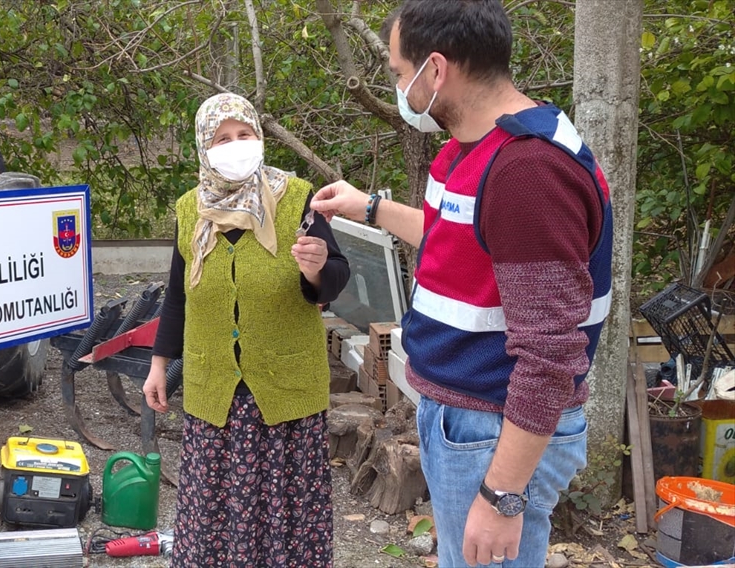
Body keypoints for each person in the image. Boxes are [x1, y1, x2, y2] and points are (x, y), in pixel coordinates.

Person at [310, 2, 613, 566]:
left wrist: (502, 496)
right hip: (470, 418)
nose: (400, 88)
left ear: (436, 69)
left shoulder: (527, 171)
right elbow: (455, 238)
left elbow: (550, 352)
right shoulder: (472, 147)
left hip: (493, 427)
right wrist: (369, 207)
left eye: (401, 74)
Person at [142, 93, 351, 567]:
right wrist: (159, 366)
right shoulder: (189, 210)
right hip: (214, 390)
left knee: (287, 521)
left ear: (259, 138)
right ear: (203, 148)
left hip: (284, 393)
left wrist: (317, 269)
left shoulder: (297, 198)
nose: (237, 146)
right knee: (216, 519)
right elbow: (178, 298)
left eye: (245, 135)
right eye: (223, 139)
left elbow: (333, 280)